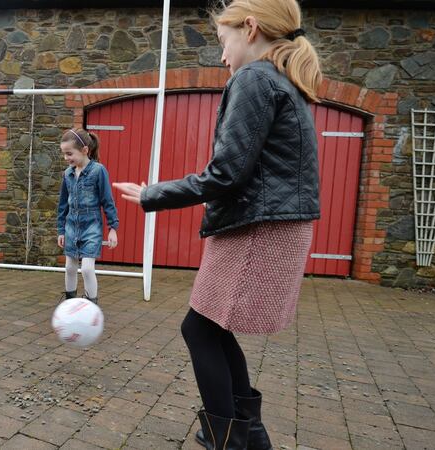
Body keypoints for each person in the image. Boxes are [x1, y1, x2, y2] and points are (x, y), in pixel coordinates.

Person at [114, 0, 322, 447]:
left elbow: (227, 173)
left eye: (223, 41)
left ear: (249, 28)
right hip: (271, 224)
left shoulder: (254, 78)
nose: (222, 55)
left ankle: (227, 440)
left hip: (258, 227)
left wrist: (155, 194)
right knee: (211, 326)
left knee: (200, 328)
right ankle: (250, 437)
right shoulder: (281, 80)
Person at [56, 128, 119, 304]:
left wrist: (113, 228)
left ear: (84, 150)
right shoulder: (68, 174)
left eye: (69, 154)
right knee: (69, 267)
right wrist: (61, 230)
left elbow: (107, 201)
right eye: (64, 154)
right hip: (71, 226)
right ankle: (70, 302)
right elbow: (62, 205)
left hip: (91, 226)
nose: (66, 158)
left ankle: (91, 306)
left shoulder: (98, 171)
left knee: (87, 269)